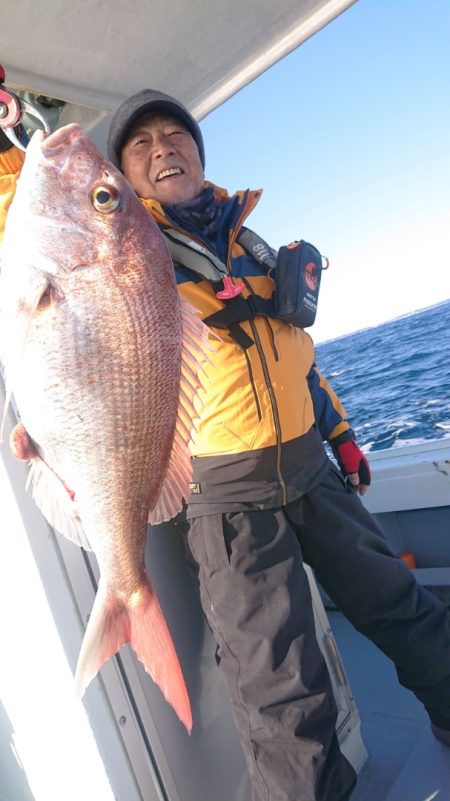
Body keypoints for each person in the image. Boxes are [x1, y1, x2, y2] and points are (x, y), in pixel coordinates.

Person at [2, 90, 450, 801]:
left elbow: (293, 351)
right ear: (125, 180)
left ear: (199, 153)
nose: (162, 149)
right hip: (225, 495)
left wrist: (343, 436)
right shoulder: (125, 248)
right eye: (141, 146)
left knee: (402, 602)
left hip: (309, 463)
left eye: (175, 136)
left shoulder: (247, 241)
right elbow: (35, 218)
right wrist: (9, 147)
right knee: (282, 689)